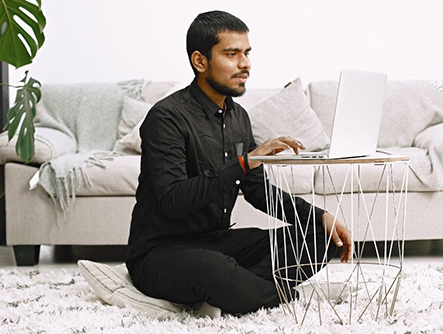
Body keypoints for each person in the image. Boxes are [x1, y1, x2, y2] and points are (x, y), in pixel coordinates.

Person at [126, 10, 352, 315]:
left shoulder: (238, 117)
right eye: (231, 54)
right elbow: (172, 201)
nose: (244, 64)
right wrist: (245, 162)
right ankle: (265, 292)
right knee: (214, 269)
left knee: (325, 239)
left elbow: (258, 192)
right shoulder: (166, 117)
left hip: (217, 242)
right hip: (162, 251)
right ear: (200, 61)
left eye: (246, 53)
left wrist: (318, 216)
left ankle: (240, 290)